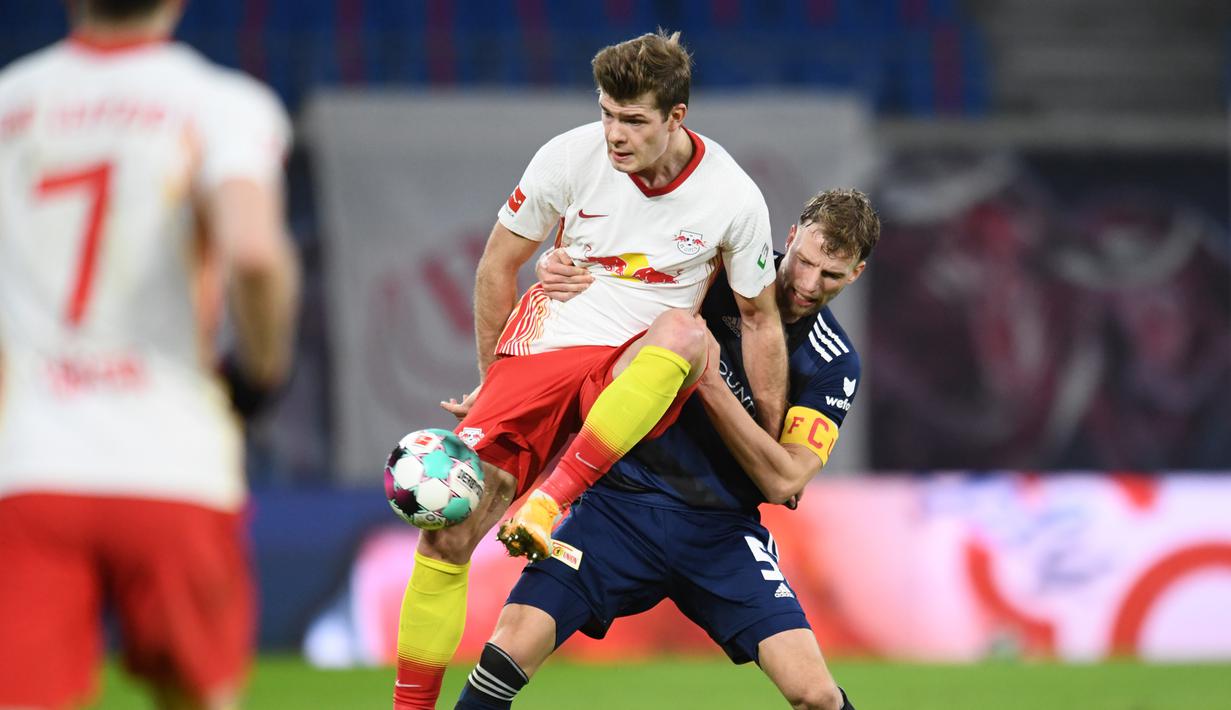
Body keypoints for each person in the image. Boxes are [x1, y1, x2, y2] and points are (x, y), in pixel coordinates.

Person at [392, 30, 788, 709]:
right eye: (607, 112)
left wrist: (770, 438)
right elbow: (497, 265)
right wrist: (492, 380)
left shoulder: (732, 195)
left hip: (635, 368)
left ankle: (550, 500)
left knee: (685, 332)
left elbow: (759, 319)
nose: (614, 133)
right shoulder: (567, 157)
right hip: (547, 346)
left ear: (676, 117)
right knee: (447, 534)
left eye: (633, 119)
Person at [453, 188, 880, 710]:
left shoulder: (833, 362)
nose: (808, 285)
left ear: (855, 274)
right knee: (506, 652)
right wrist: (560, 268)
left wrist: (711, 383)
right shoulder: (714, 270)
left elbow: (785, 480)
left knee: (815, 694)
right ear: (787, 239)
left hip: (721, 532)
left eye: (831, 276)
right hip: (617, 507)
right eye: (805, 262)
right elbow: (604, 290)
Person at [0, 1, 300, 708]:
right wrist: (260, 374)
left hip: (32, 461)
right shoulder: (219, 103)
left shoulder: (13, 99)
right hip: (172, 458)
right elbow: (253, 254)